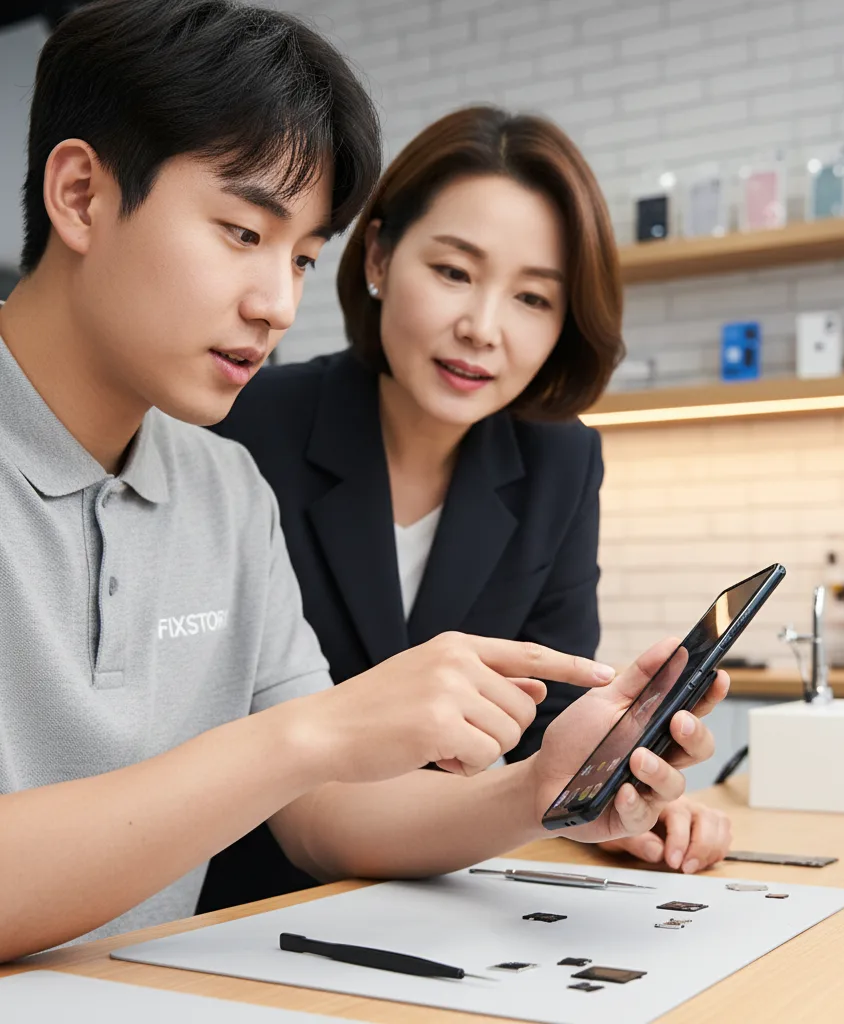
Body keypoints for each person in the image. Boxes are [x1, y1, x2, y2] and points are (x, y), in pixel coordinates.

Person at [0, 0, 727, 962]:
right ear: (83, 195)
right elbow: (305, 760)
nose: (278, 304)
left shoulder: (225, 490)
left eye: (302, 257)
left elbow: (320, 815)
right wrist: (312, 732)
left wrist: (538, 791)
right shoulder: (265, 442)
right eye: (241, 233)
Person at [202, 106, 731, 914]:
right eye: (454, 272)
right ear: (378, 254)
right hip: (234, 907)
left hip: (454, 903)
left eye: (532, 298)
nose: (481, 329)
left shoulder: (560, 460)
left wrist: (606, 794)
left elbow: (544, 732)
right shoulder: (243, 424)